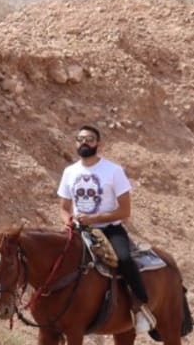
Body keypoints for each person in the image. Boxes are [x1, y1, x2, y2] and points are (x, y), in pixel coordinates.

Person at [57, 125, 157, 332]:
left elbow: (125, 211)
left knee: (124, 259)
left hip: (110, 230)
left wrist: (95, 218)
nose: (84, 142)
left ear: (99, 144)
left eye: (90, 139)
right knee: (56, 261)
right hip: (79, 229)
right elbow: (64, 207)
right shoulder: (70, 172)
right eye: (80, 138)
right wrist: (68, 220)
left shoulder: (113, 171)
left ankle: (140, 305)